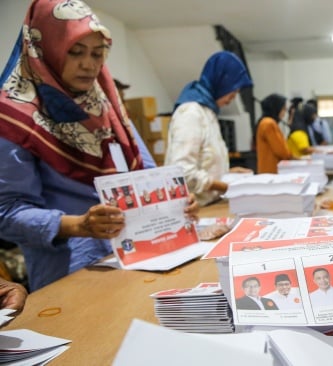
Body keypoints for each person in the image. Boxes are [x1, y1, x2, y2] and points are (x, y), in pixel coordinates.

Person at [0, 0, 199, 291]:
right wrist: (79, 225)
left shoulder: (107, 106)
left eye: (97, 53)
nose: (89, 64)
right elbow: (6, 213)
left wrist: (176, 200)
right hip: (69, 274)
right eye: (75, 52)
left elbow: (148, 174)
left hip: (138, 259)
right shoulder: (15, 118)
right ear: (45, 49)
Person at [164, 51, 253, 207]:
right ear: (222, 82)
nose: (232, 99)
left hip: (212, 204)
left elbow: (204, 162)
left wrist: (228, 173)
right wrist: (226, 187)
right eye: (232, 93)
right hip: (194, 210)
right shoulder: (191, 113)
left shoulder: (208, 112)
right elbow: (181, 172)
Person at [255, 93, 292, 173]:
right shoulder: (269, 124)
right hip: (272, 171)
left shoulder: (265, 122)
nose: (284, 113)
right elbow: (282, 152)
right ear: (276, 108)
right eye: (283, 109)